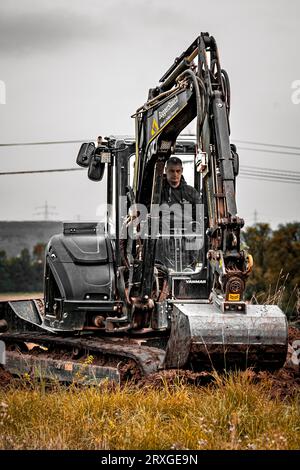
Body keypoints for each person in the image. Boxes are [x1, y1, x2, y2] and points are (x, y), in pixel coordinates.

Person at [157, 156, 202, 271]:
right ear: (165, 170)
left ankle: (190, 268)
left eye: (178, 171)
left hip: (186, 244)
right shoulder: (157, 192)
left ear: (182, 171)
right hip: (164, 242)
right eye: (171, 171)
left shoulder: (191, 193)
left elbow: (199, 219)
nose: (175, 174)